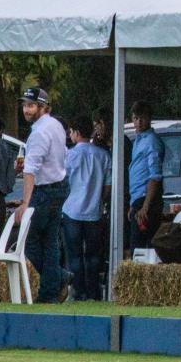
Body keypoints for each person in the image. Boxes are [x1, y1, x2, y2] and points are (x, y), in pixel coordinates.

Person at [13, 86, 70, 303]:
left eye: (31, 106)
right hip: (61, 185)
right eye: (25, 105)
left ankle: (58, 279)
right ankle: (51, 291)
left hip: (45, 189)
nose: (26, 110)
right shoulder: (56, 125)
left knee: (30, 242)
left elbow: (30, 170)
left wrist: (25, 202)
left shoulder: (38, 133)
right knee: (51, 243)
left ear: (43, 107)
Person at [61, 115, 112, 301]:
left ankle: (78, 290)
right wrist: (99, 200)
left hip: (71, 210)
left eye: (71, 131)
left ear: (76, 132)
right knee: (93, 255)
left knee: (74, 254)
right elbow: (108, 187)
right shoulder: (103, 155)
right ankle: (93, 292)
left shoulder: (69, 155)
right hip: (94, 211)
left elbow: (63, 183)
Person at [127, 100, 165, 253]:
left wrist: (145, 207)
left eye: (142, 118)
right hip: (138, 198)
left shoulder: (151, 141)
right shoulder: (139, 139)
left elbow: (155, 176)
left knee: (140, 250)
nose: (139, 122)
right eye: (135, 118)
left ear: (149, 119)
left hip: (146, 199)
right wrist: (133, 203)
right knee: (137, 247)